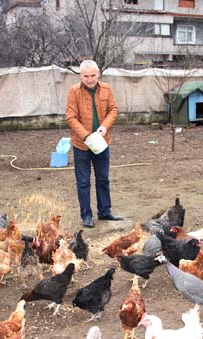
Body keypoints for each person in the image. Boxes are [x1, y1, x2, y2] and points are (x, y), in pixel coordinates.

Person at [66, 60, 122, 228]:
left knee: (103, 178)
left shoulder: (106, 89)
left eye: (92, 75)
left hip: (102, 143)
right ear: (80, 76)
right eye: (86, 76)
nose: (89, 79)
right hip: (81, 145)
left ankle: (104, 211)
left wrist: (105, 126)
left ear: (98, 74)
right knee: (83, 182)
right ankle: (86, 215)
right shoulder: (74, 92)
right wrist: (86, 135)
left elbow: (113, 110)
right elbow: (71, 117)